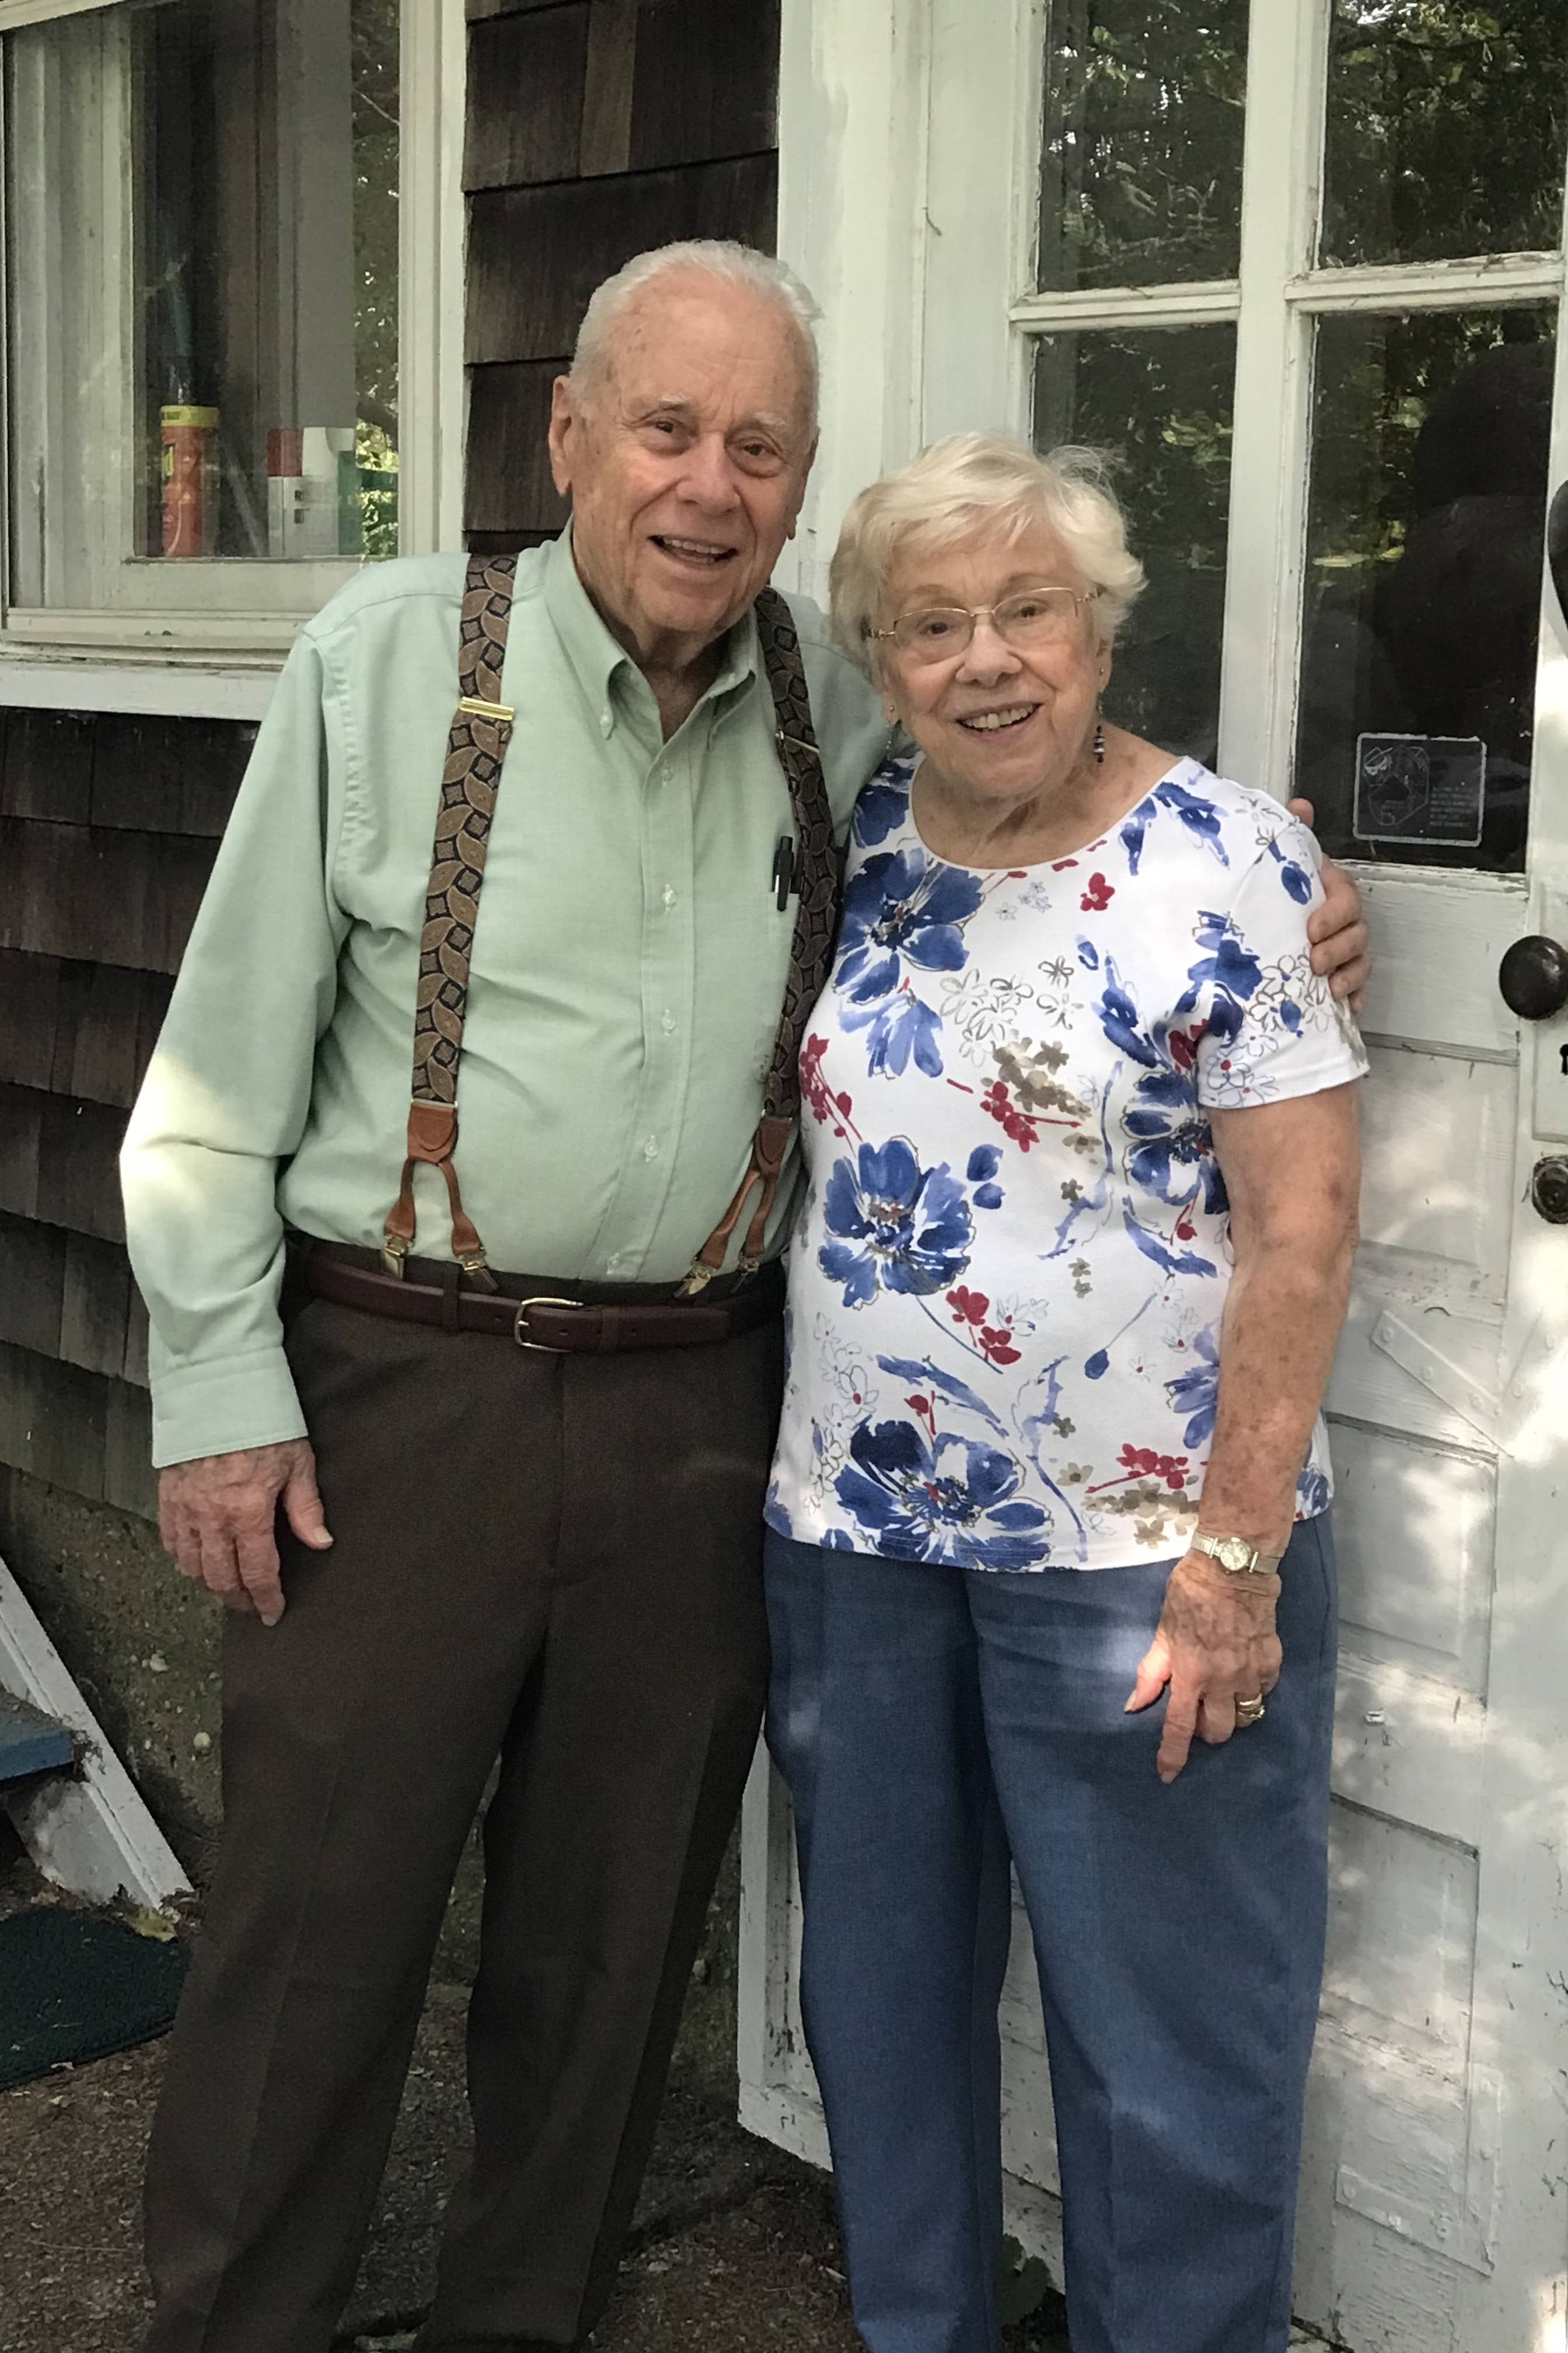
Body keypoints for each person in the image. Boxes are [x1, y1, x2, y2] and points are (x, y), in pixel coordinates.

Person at [120, 244, 1367, 2353]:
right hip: (402, 1396)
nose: (708, 485)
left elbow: (1069, 806)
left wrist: (1271, 877)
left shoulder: (831, 714)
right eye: (670, 430)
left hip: (707, 1408)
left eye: (759, 446)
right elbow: (216, 1064)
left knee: (610, 1957)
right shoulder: (396, 658)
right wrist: (215, 1381)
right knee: (313, 1934)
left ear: (794, 494)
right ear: (571, 437)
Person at [762, 434, 1365, 2353]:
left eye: (1028, 608)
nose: (986, 659)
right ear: (881, 663)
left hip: (1142, 1560)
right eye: (930, 627)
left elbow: (1304, 1233)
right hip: (858, 1542)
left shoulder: (1232, 867)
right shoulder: (855, 840)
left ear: (1100, 629)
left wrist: (1234, 1559)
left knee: (1170, 2063)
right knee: (880, 2015)